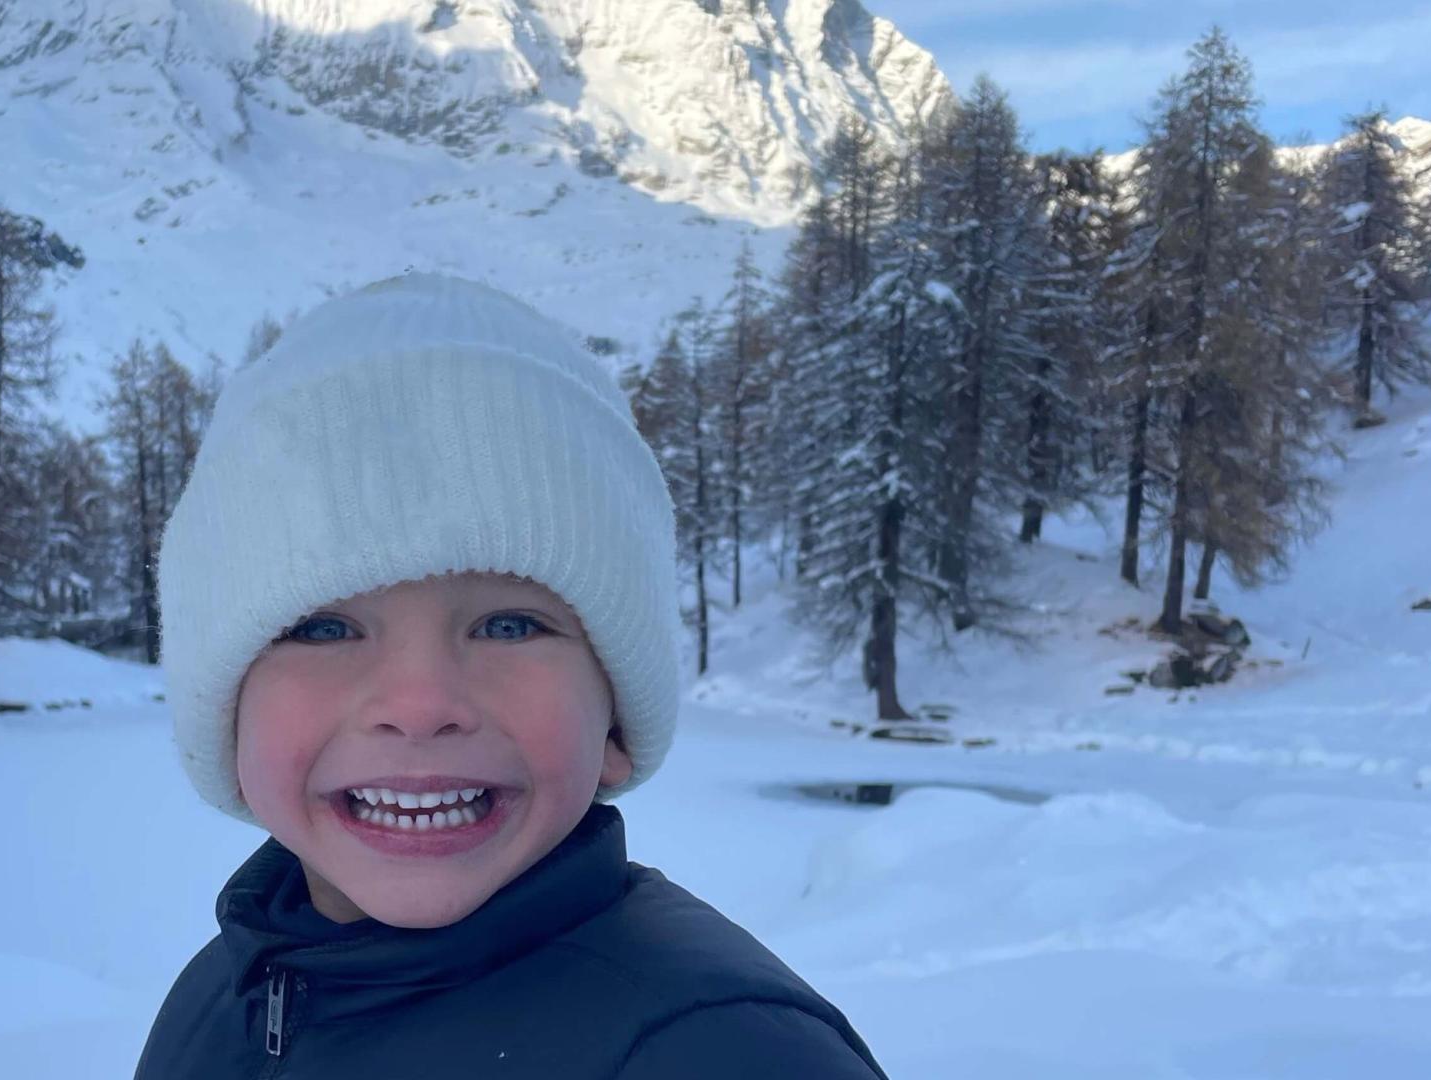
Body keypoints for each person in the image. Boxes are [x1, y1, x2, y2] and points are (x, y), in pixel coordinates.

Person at [137, 272, 888, 1078]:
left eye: (509, 625)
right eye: (322, 629)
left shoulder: (717, 1052)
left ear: (615, 727)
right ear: (226, 722)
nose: (421, 706)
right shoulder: (224, 998)